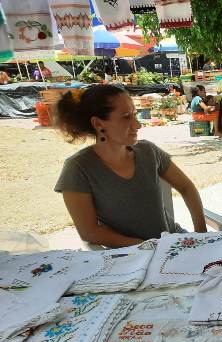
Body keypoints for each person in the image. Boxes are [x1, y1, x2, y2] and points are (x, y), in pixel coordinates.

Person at [53, 85, 207, 248]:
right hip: (132, 259)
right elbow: (89, 231)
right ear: (98, 124)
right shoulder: (78, 169)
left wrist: (202, 235)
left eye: (135, 115)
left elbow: (186, 187)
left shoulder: (148, 151)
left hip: (174, 244)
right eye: (126, 117)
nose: (138, 125)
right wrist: (146, 246)